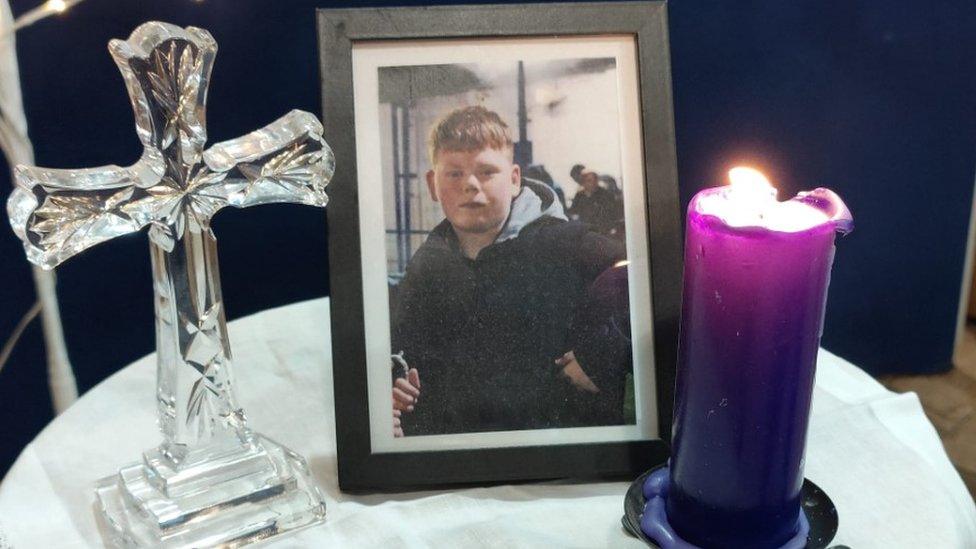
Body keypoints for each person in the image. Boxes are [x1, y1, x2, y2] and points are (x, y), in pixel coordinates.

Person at [390, 105, 629, 436]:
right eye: (454, 173)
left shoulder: (566, 243)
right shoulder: (425, 265)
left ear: (515, 179)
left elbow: (650, 277)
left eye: (487, 171)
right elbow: (400, 349)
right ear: (433, 184)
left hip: (555, 457)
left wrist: (602, 354)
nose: (471, 184)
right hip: (457, 462)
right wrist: (391, 389)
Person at [567, 169, 623, 236]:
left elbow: (611, 214)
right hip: (584, 229)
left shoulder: (605, 194)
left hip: (602, 230)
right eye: (587, 181)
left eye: (592, 180)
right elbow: (573, 211)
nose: (590, 183)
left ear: (596, 181)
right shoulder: (579, 195)